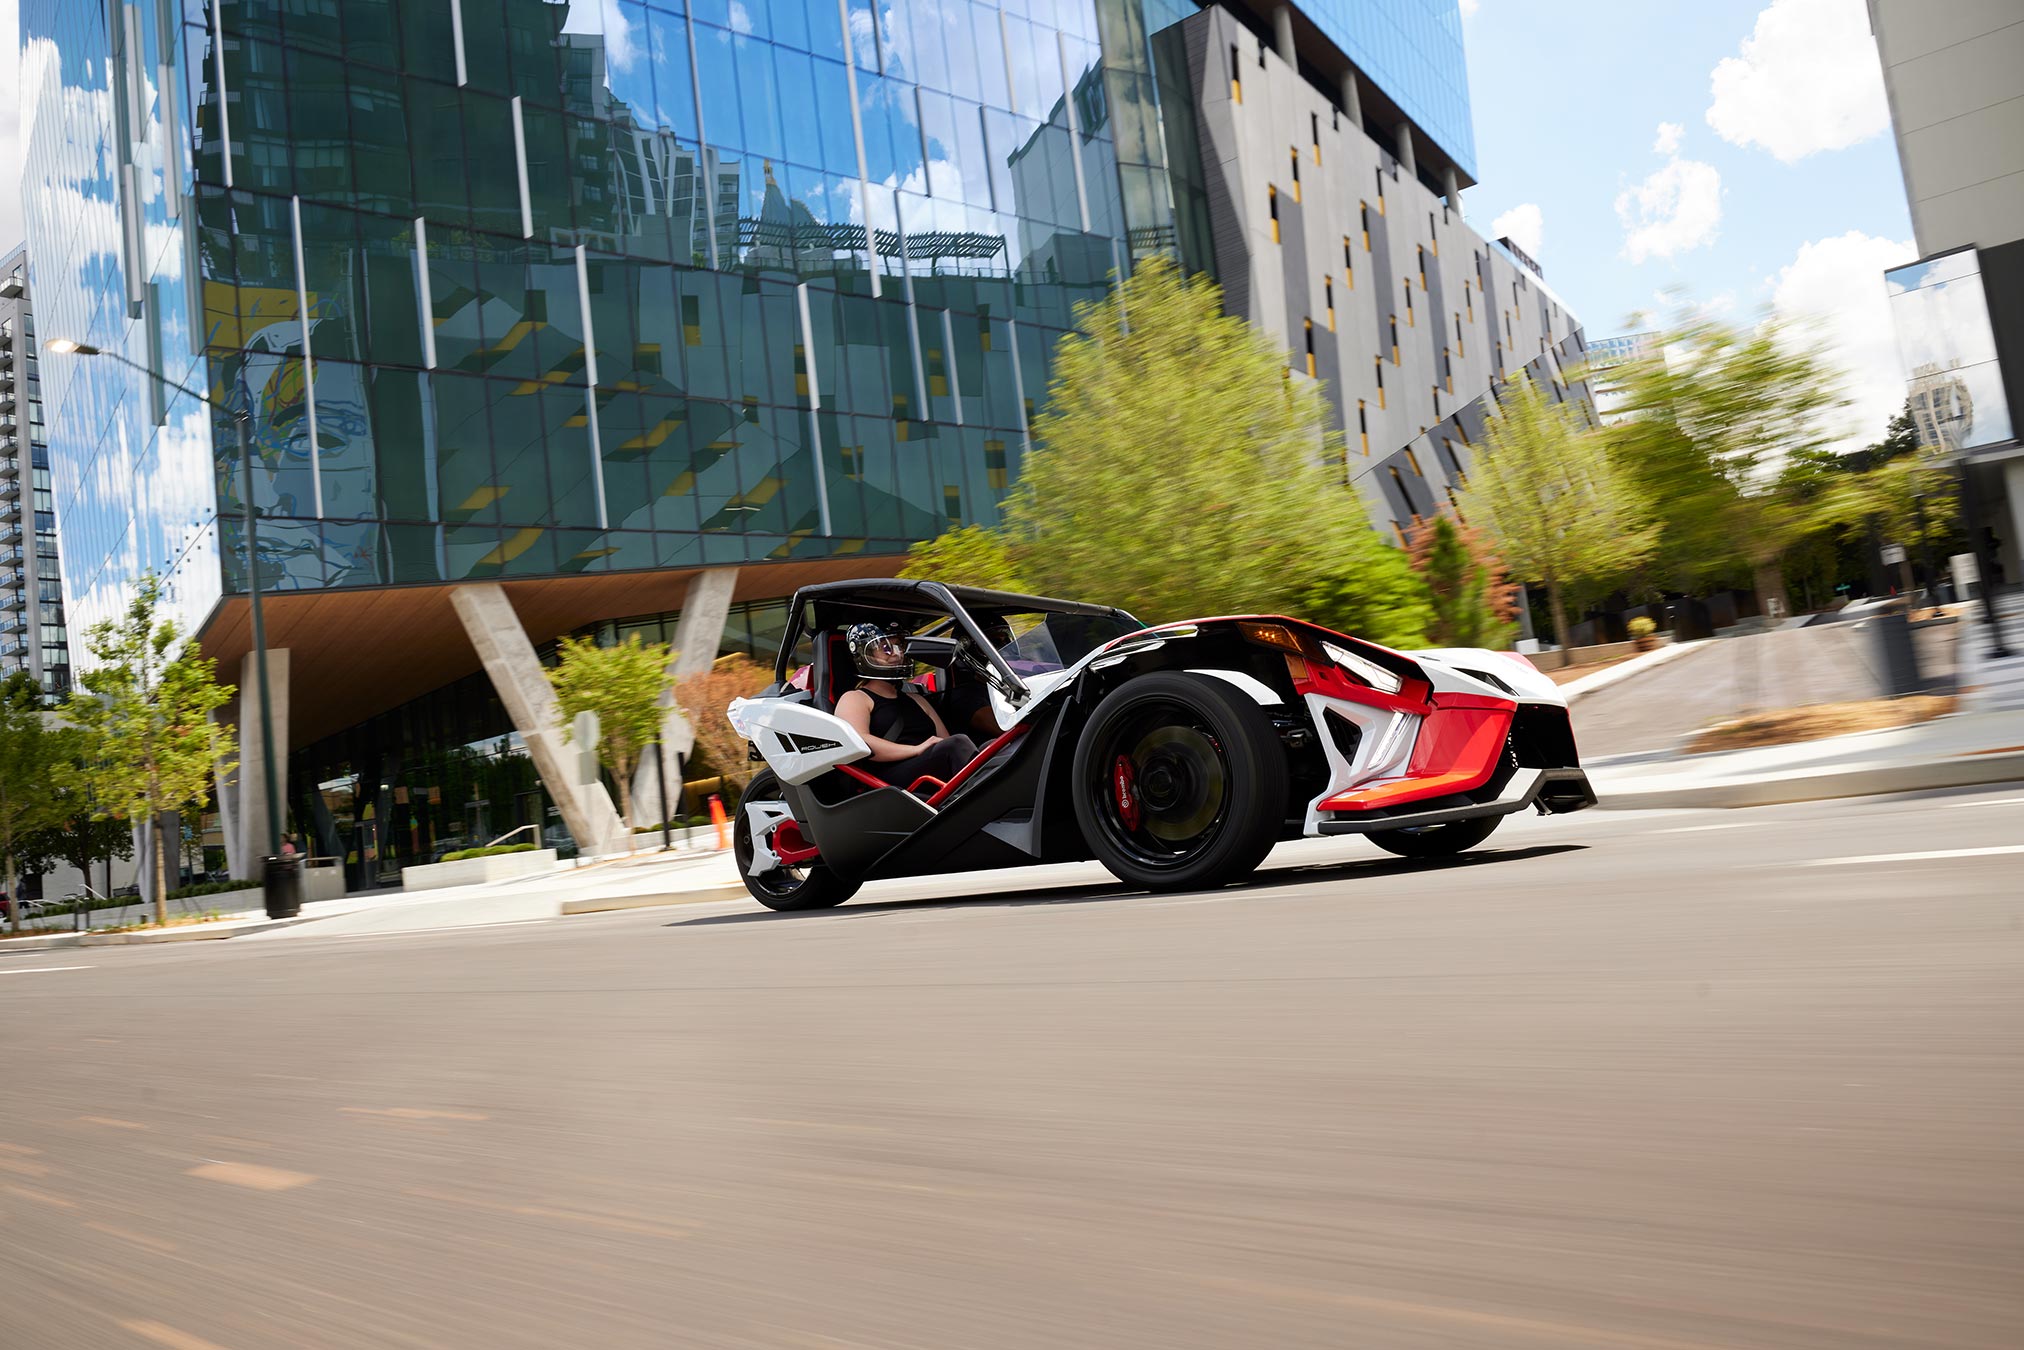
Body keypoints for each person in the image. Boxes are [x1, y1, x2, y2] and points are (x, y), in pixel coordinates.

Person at [834, 622, 978, 787]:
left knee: (992, 747)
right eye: (886, 648)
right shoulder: (855, 698)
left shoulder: (917, 699)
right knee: (957, 744)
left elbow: (944, 740)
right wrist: (916, 750)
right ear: (866, 655)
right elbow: (859, 742)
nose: (897, 654)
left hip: (928, 765)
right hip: (888, 781)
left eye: (899, 646)